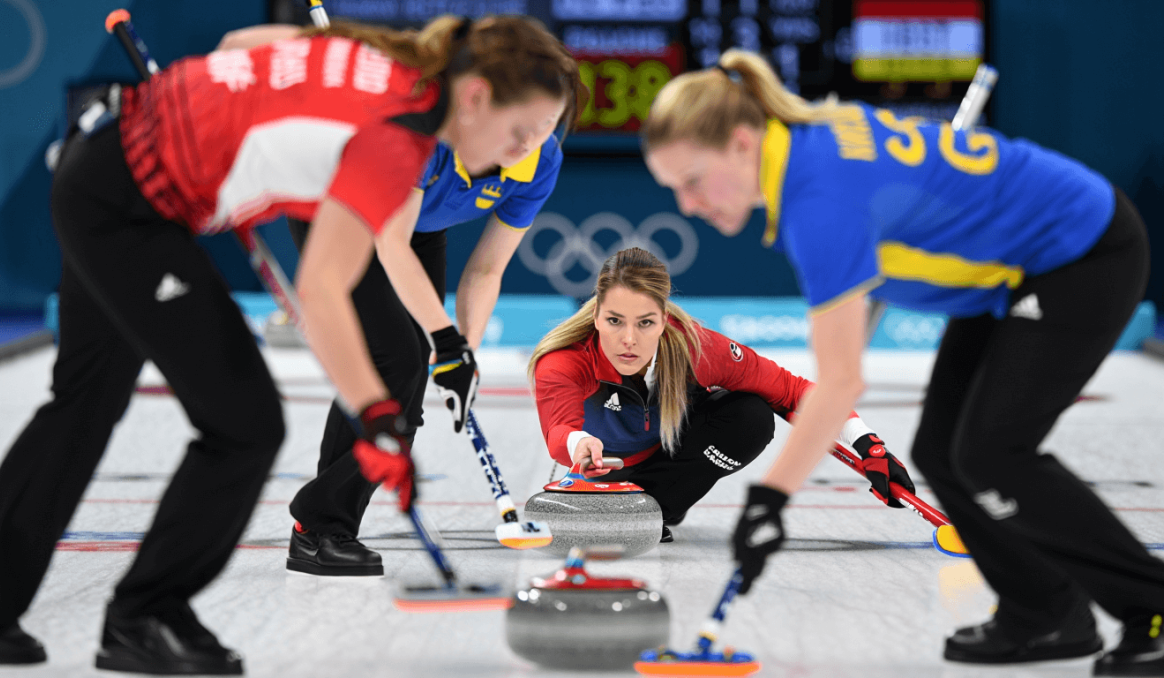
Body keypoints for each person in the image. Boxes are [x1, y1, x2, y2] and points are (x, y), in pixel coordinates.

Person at [0, 14, 577, 676]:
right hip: (131, 204)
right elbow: (321, 291)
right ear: (478, 95)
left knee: (84, 403)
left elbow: (231, 48)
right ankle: (146, 614)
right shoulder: (399, 139)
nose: (523, 149)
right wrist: (375, 413)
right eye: (519, 132)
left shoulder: (374, 56)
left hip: (104, 159)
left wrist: (197, 109)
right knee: (245, 422)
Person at [640, 48, 1160, 675]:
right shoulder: (808, 147)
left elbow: (838, 383)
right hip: (1006, 272)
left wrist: (770, 500)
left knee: (996, 453)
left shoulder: (817, 201)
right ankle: (1045, 612)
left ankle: (1150, 608)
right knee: (944, 452)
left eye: (691, 181)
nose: (687, 205)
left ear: (741, 142)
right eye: (674, 189)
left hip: (1078, 251)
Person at [220, 20, 575, 576]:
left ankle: (329, 522)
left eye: (549, 125)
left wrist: (463, 354)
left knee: (413, 374)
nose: (532, 140)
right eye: (524, 125)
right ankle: (319, 528)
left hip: (416, 224)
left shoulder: (539, 160)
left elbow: (485, 268)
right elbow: (387, 243)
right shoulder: (426, 130)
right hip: (341, 206)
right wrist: (444, 340)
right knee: (397, 355)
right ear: (483, 103)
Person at [527, 247, 915, 543]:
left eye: (645, 323)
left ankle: (657, 509)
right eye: (614, 321)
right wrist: (580, 444)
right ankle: (622, 501)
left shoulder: (698, 349)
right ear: (595, 317)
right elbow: (559, 431)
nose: (628, 340)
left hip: (669, 460)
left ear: (664, 320)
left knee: (751, 417)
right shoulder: (563, 362)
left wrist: (868, 445)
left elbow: (794, 392)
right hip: (605, 468)